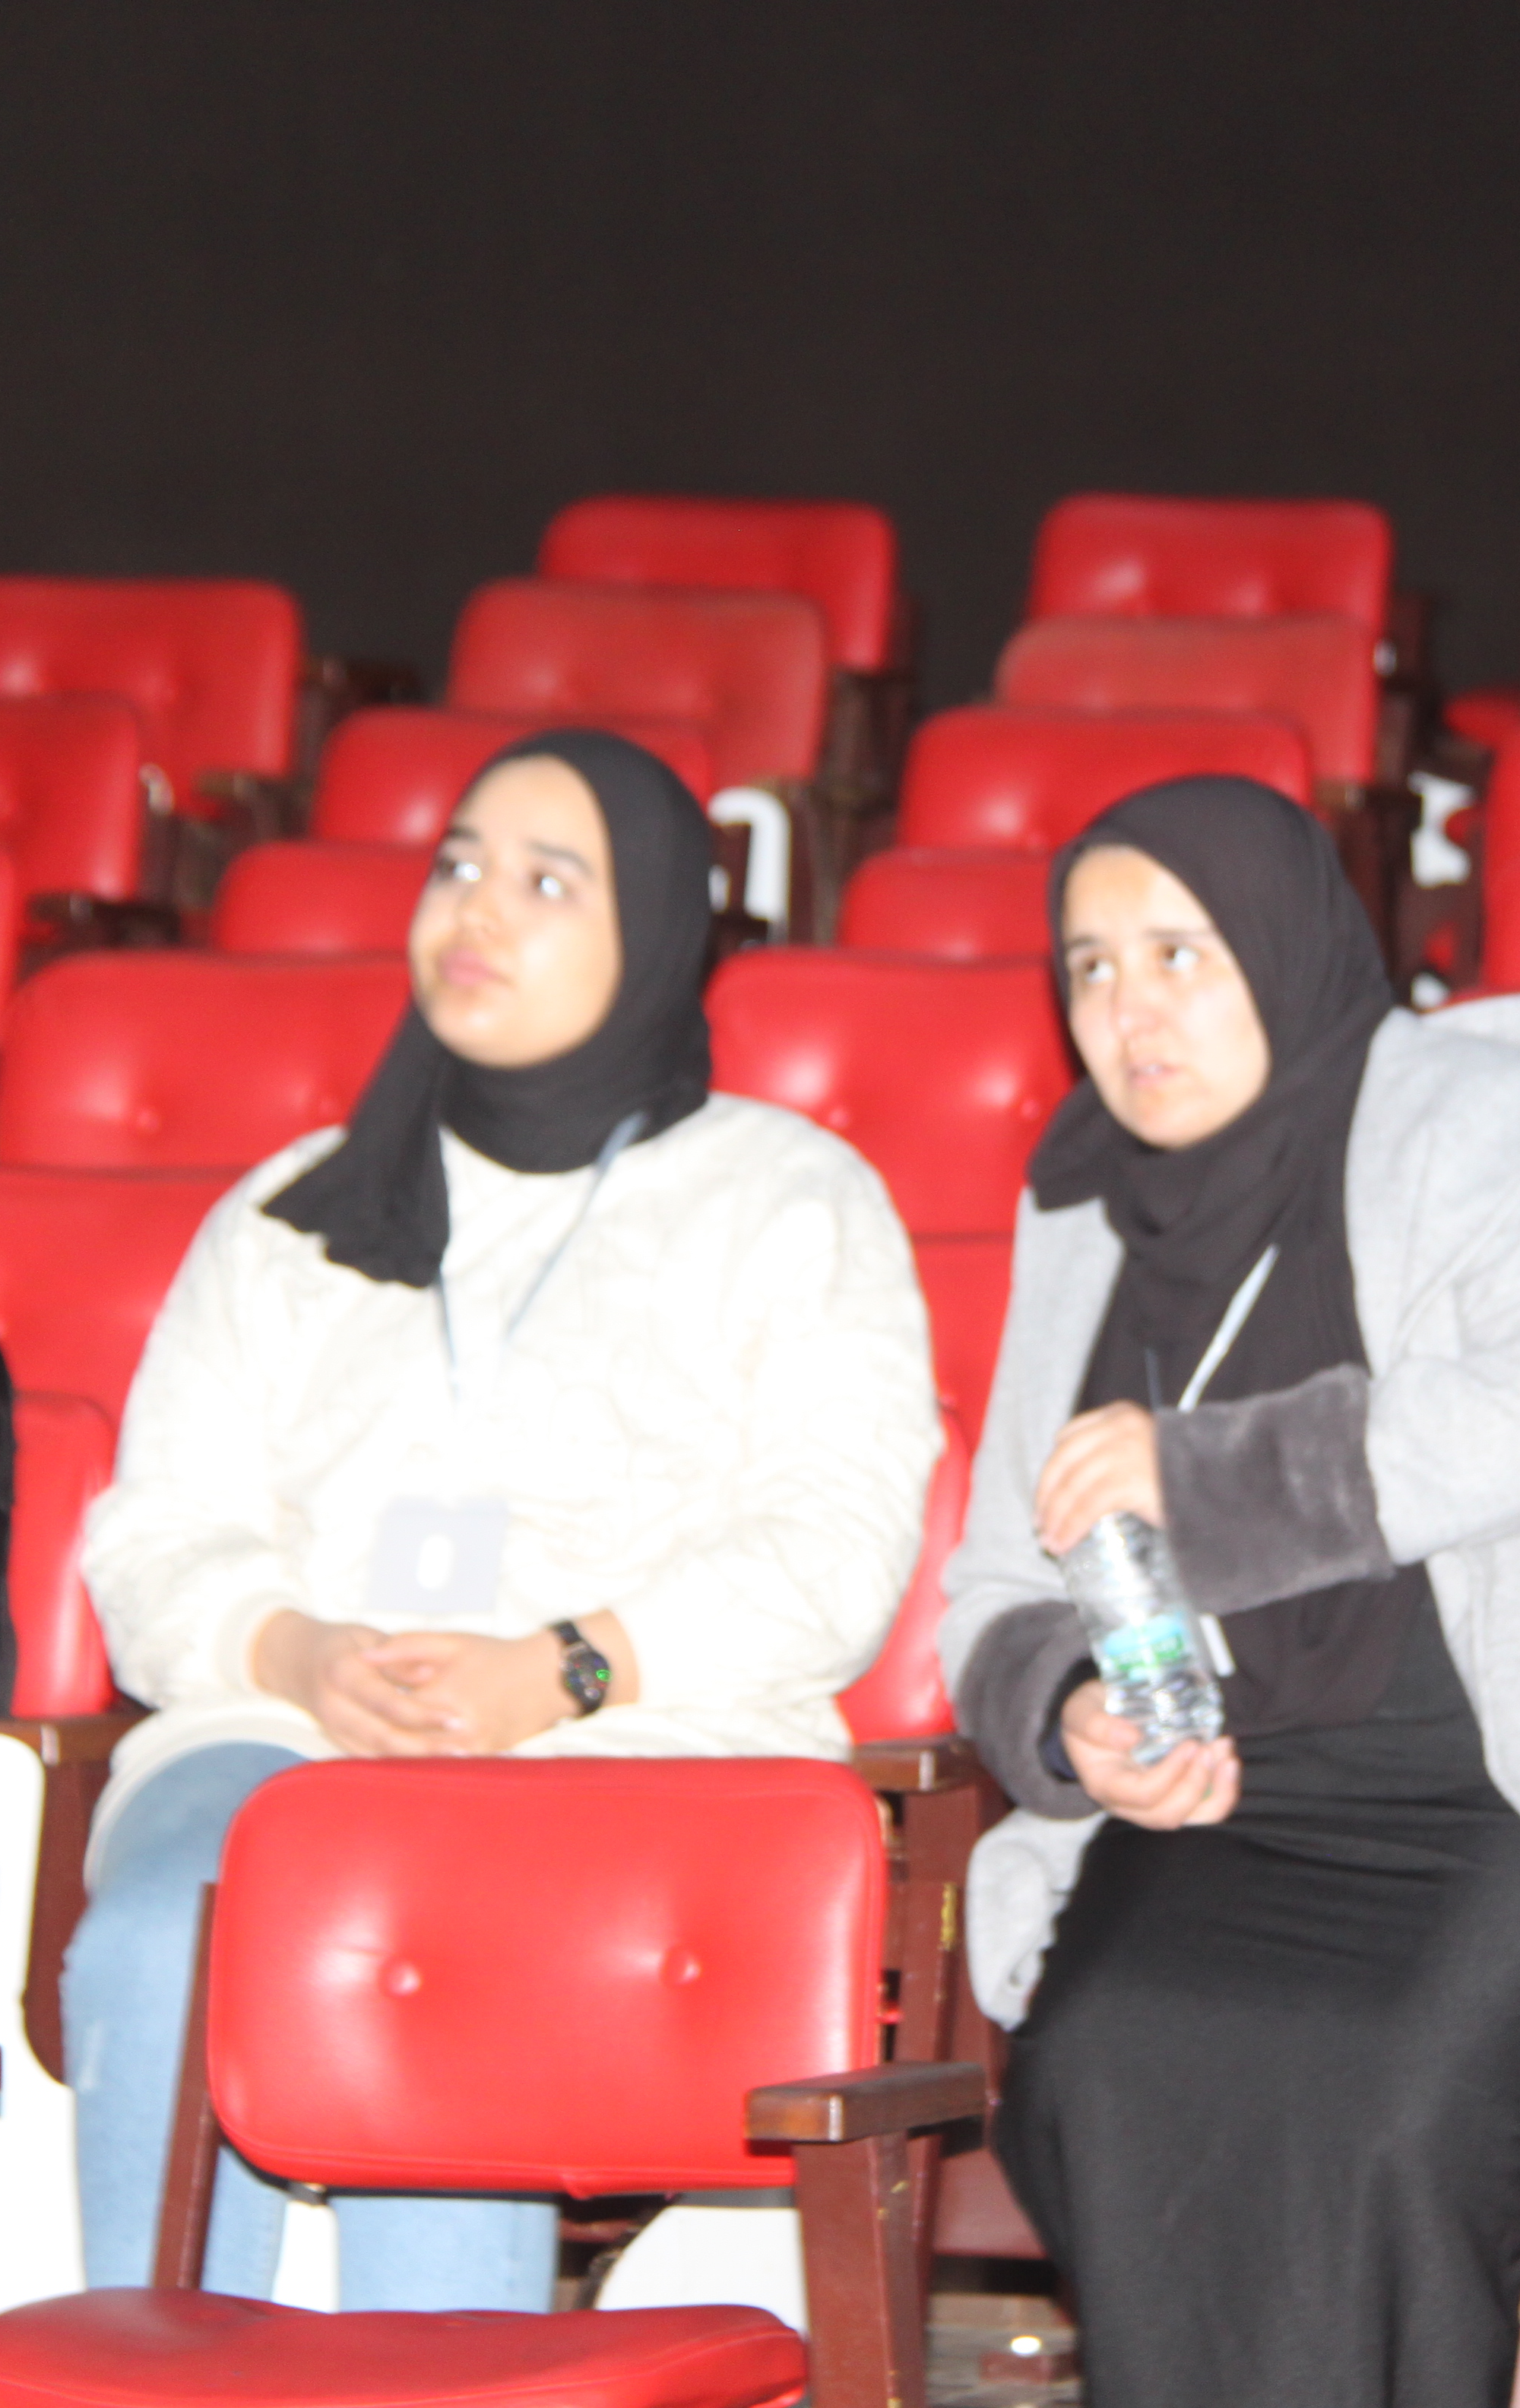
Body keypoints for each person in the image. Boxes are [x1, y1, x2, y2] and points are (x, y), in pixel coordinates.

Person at [936, 777, 1520, 2408]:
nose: (1129, 1010)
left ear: (1284, 942)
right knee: (1095, 2065)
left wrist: (1204, 1479)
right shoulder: (1081, 1216)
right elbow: (1006, 1578)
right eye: (1090, 967)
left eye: (1178, 953)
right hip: (1233, 1794)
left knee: (1387, 2099)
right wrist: (1070, 1714)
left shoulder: (1488, 1124)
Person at [66, 728, 939, 2307]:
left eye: (548, 882)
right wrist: (298, 1651)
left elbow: (832, 1548)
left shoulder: (790, 1197)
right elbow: (152, 1537)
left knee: (445, 1932)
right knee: (157, 1936)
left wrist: (561, 1668)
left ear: (655, 927)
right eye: (458, 865)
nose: (476, 910)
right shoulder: (293, 1209)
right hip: (294, 1737)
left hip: (639, 1750)